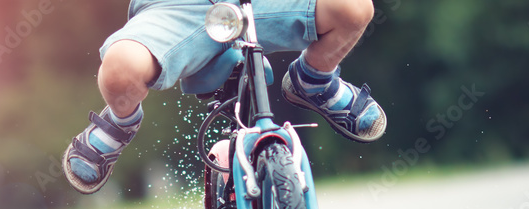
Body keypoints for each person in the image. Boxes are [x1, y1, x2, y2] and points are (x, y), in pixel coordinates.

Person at [62, 0, 386, 195]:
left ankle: (314, 80)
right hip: (176, 8)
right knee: (121, 71)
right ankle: (120, 120)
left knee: (353, 8)